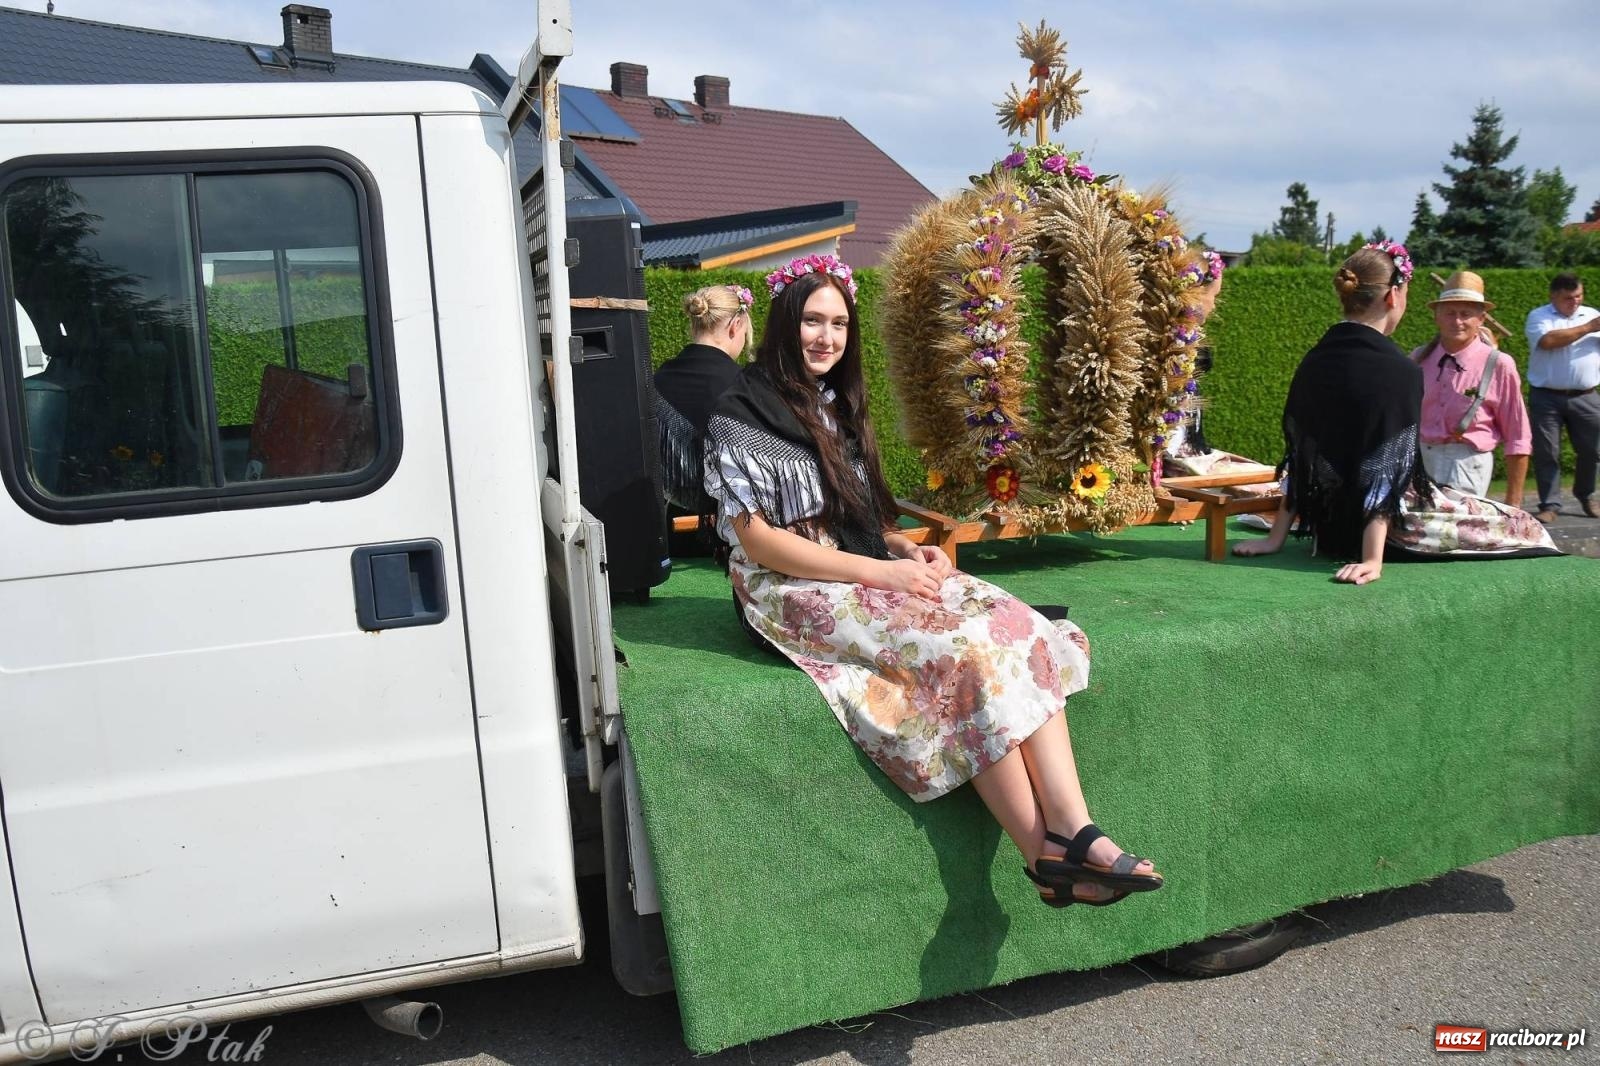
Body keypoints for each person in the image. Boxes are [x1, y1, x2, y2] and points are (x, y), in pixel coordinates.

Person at [702, 253, 1162, 908]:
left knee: (1015, 623)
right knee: (960, 652)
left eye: (839, 323)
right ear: (783, 323)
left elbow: (859, 518)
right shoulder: (739, 414)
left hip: (857, 560)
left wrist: (908, 553)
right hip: (786, 585)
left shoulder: (836, 406)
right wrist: (881, 573)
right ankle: (1042, 853)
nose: (826, 337)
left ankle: (1074, 828)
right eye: (811, 321)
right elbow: (759, 541)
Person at [1233, 242, 1558, 584]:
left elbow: (1302, 458)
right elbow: (1387, 468)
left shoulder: (1314, 360)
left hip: (1328, 531)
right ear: (1393, 296)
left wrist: (1275, 539)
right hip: (1390, 534)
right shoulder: (1399, 370)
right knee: (1523, 527)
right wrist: (1372, 558)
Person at [1410, 271, 1530, 505]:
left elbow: (1518, 435)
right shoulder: (1418, 358)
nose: (1457, 321)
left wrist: (1513, 502)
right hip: (1421, 462)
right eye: (1450, 313)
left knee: (1463, 528)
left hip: (1468, 464)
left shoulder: (1498, 364)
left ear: (1481, 319)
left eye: (1466, 314)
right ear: (1436, 316)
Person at [654, 284, 751, 515]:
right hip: (735, 518)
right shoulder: (745, 386)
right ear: (736, 325)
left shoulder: (658, 378)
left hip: (668, 515)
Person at [1523, 273, 1600, 522]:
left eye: (1579, 296)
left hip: (1586, 395)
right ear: (1553, 296)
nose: (1575, 301)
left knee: (1592, 450)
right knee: (1547, 452)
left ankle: (1586, 495)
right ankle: (1550, 504)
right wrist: (1589, 328)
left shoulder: (1591, 314)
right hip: (1546, 396)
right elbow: (1547, 341)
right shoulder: (1539, 316)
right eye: (1569, 298)